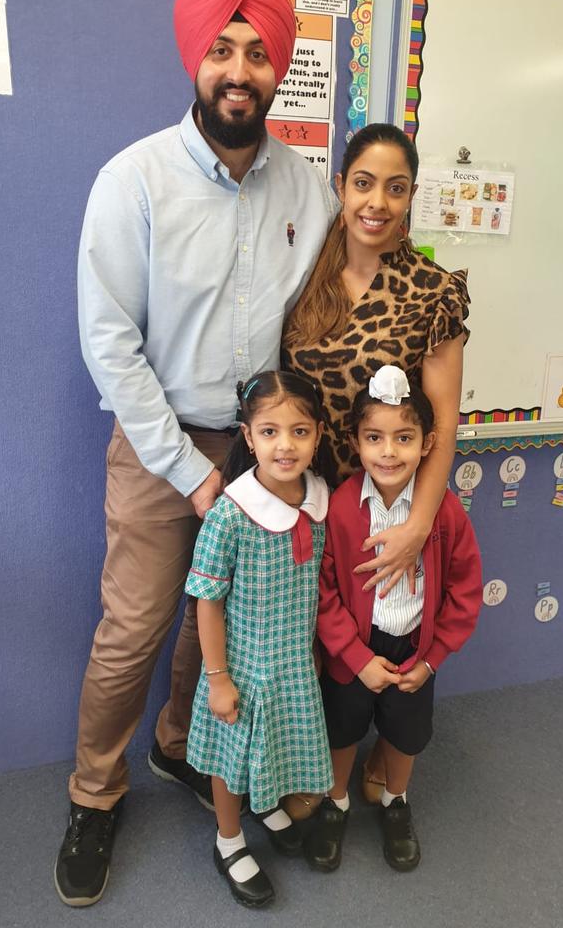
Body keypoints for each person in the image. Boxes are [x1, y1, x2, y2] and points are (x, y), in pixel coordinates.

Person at [55, 0, 338, 907]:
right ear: (196, 59)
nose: (240, 68)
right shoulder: (132, 180)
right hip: (156, 438)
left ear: (277, 73)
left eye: (259, 53)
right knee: (137, 627)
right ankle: (95, 795)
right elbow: (109, 342)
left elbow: (324, 323)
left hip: (264, 452)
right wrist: (187, 470)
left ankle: (181, 745)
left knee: (216, 626)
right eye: (222, 48)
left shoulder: (309, 191)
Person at [282, 123, 469, 806]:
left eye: (396, 188)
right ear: (341, 186)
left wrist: (419, 526)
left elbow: (443, 424)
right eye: (363, 183)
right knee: (314, 650)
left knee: (388, 638)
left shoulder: (432, 291)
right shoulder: (304, 272)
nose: (377, 202)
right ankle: (314, 775)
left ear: (412, 195)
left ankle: (387, 776)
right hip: (306, 503)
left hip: (388, 510)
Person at [303, 365, 482, 873]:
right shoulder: (340, 509)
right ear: (356, 443)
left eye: (404, 438)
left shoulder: (443, 513)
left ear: (427, 444)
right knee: (340, 730)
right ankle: (335, 803)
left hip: (415, 655)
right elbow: (324, 594)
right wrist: (356, 658)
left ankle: (395, 802)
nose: (388, 451)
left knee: (406, 735)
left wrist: (432, 660)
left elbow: (465, 590)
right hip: (353, 653)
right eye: (374, 438)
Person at [186, 371, 333, 908]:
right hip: (243, 666)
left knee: (277, 744)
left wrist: (314, 648)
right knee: (232, 758)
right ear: (248, 438)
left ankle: (268, 803)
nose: (285, 445)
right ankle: (229, 840)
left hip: (293, 662)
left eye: (299, 431)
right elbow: (208, 600)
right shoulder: (231, 513)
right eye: (269, 432)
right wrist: (218, 677)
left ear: (318, 435)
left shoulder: (321, 502)